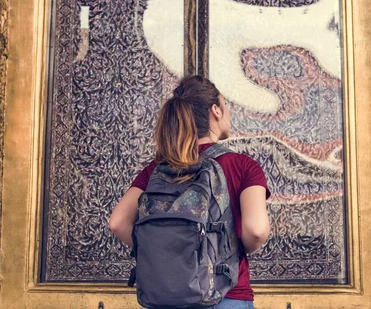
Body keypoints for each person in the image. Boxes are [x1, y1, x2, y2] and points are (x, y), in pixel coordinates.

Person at [109, 75, 271, 309]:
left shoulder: (157, 170)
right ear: (216, 110)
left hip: (166, 298)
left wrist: (165, 251)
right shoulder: (243, 166)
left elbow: (117, 223)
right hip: (225, 295)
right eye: (226, 106)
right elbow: (256, 231)